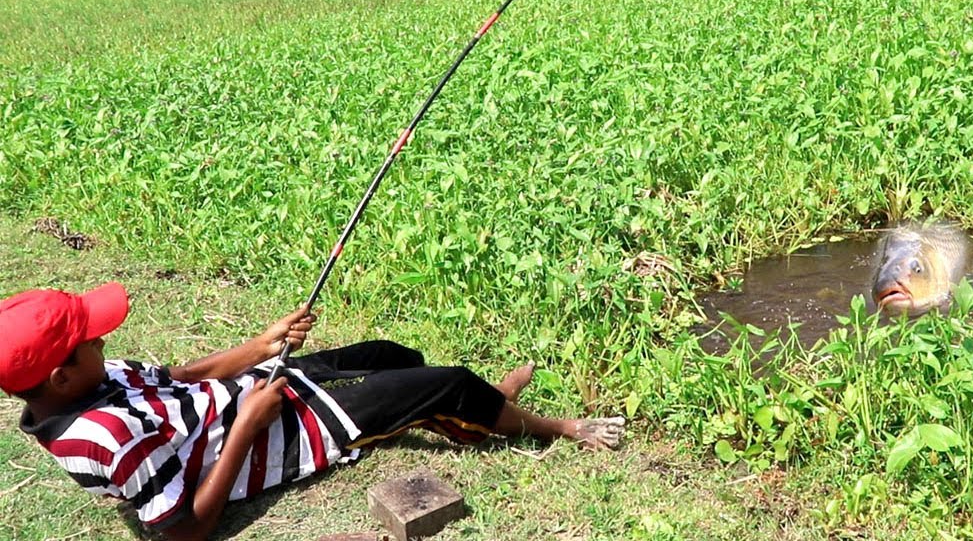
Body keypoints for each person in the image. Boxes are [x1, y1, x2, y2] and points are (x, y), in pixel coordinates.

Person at [1, 283, 625, 541]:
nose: (104, 340)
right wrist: (248, 421)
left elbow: (181, 377)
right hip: (292, 431)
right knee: (451, 383)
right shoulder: (103, 435)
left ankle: (481, 410)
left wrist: (261, 346)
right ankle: (547, 425)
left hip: (265, 391)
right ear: (59, 376)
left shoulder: (91, 381)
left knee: (388, 353)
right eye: (92, 338)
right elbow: (185, 530)